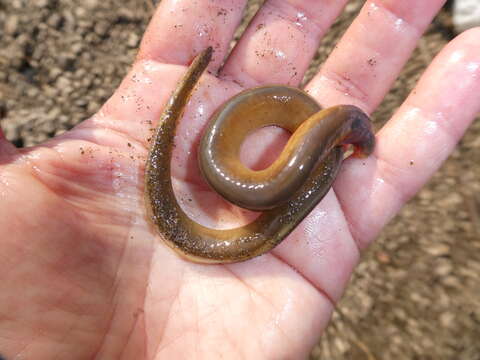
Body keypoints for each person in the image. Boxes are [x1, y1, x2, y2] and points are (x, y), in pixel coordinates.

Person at [0, 1, 478, 358]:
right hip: (290, 148)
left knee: (292, 164)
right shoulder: (313, 142)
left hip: (295, 146)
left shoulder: (313, 140)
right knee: (286, 165)